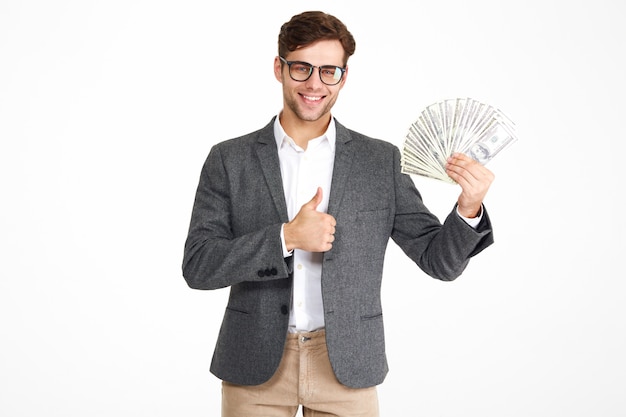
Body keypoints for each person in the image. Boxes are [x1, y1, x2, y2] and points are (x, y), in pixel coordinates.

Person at [182, 10, 495, 417]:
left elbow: (440, 262)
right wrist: (287, 238)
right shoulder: (229, 159)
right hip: (253, 365)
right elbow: (199, 266)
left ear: (343, 77)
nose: (314, 83)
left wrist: (468, 207)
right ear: (279, 68)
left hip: (347, 365)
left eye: (329, 71)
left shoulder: (379, 161)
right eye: (301, 68)